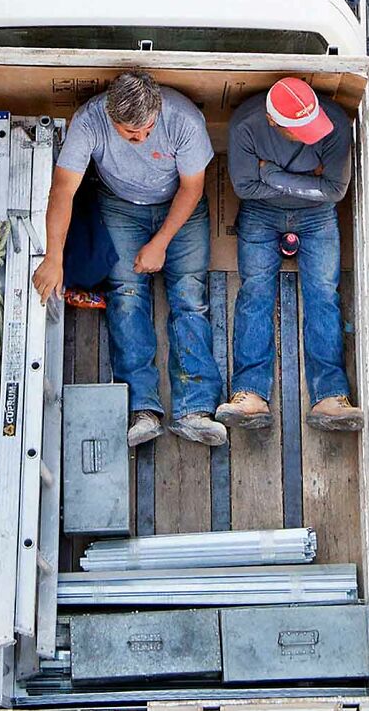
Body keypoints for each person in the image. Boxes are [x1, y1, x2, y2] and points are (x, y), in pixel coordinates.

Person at [33, 71, 226, 448]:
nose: (139, 139)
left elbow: (192, 188)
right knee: (125, 296)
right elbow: (63, 189)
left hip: (180, 210)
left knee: (189, 296)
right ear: (110, 117)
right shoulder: (89, 121)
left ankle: (195, 409)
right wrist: (53, 256)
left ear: (156, 113)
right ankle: (143, 408)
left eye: (145, 132)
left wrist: (160, 243)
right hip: (120, 207)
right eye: (128, 134)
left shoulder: (183, 120)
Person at [216, 76, 364, 434]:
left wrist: (272, 173)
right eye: (301, 130)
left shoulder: (334, 124)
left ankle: (330, 396)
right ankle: (249, 393)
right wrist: (306, 180)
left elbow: (334, 191)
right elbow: (244, 187)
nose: (315, 134)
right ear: (273, 121)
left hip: (316, 215)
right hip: (261, 213)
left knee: (323, 294)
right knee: (255, 292)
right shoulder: (246, 125)